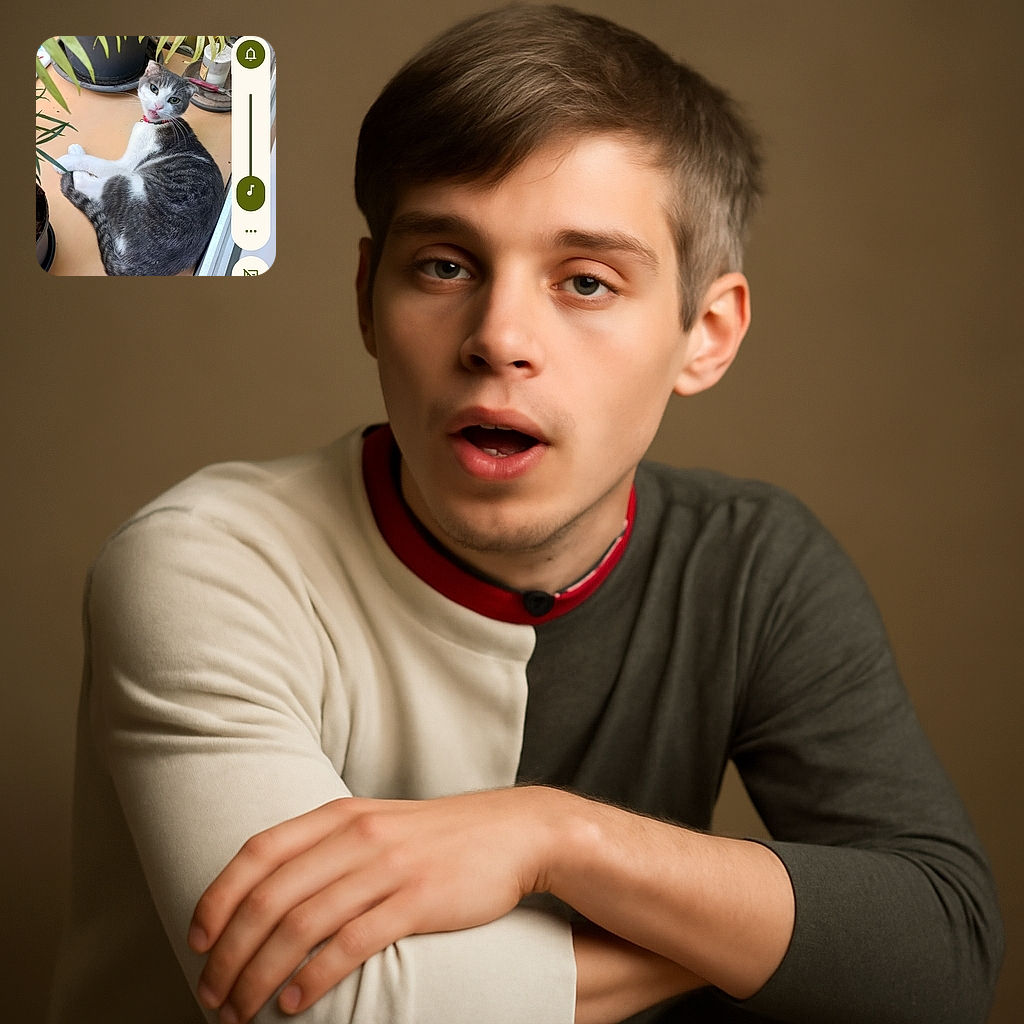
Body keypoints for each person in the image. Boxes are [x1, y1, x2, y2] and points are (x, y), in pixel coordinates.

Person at [49, 6, 1003, 1024]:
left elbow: (938, 958)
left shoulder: (754, 563)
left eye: (585, 281)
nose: (499, 337)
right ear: (368, 296)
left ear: (705, 334)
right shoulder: (202, 566)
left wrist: (552, 837)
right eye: (445, 266)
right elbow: (336, 1005)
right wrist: (760, 939)